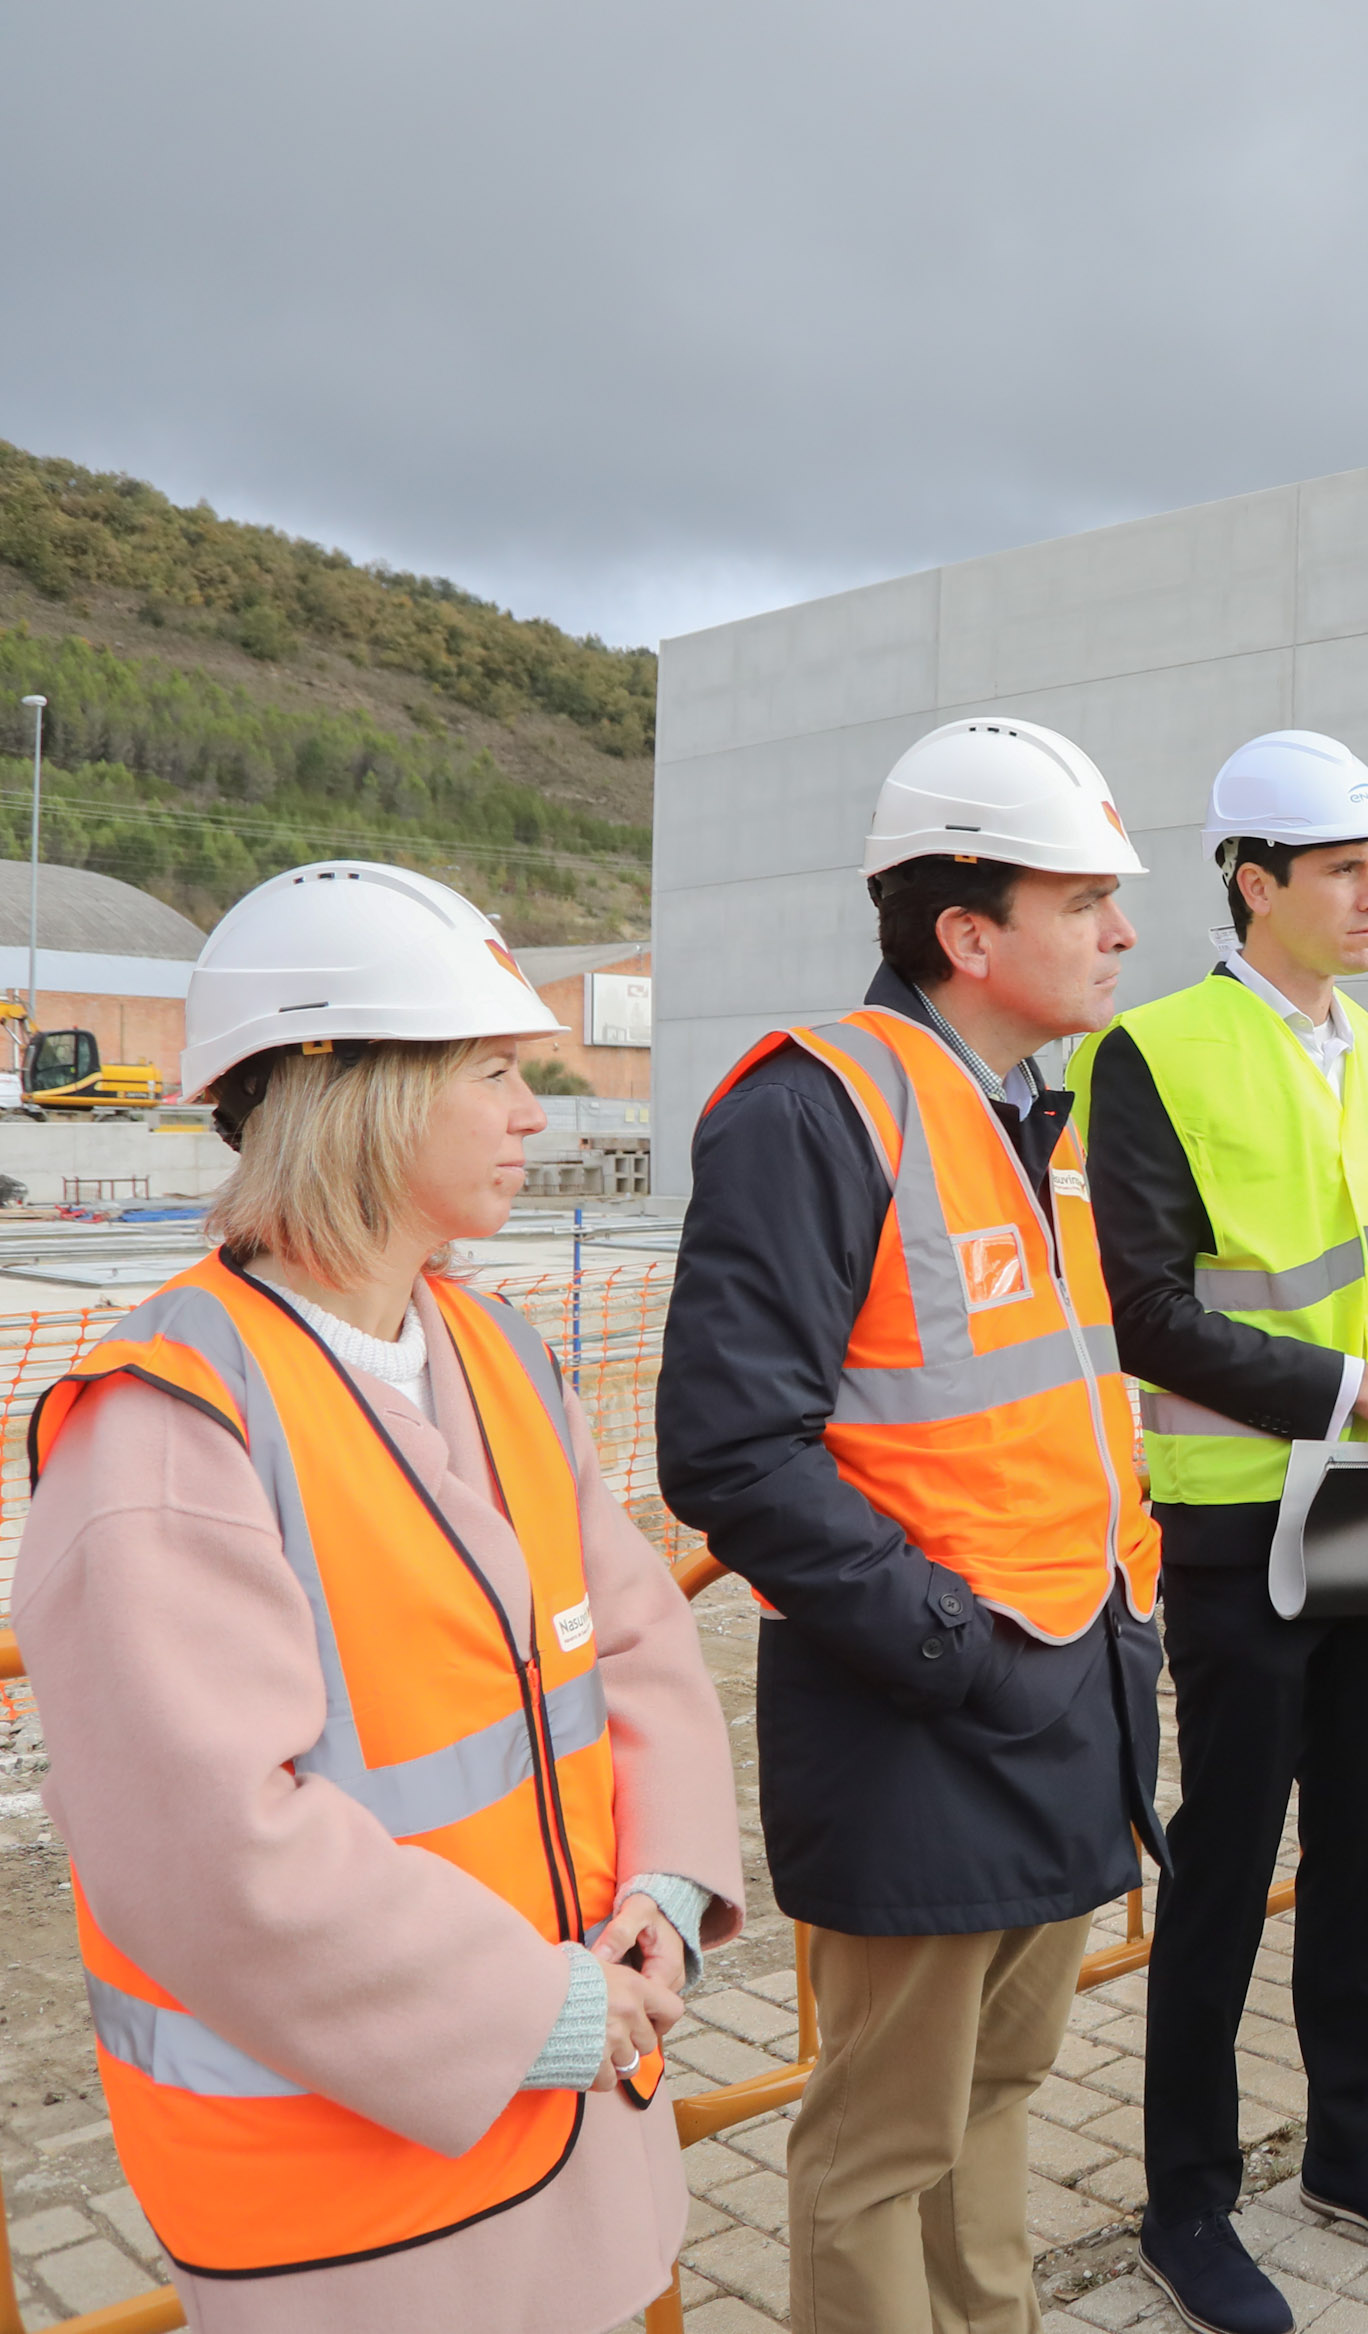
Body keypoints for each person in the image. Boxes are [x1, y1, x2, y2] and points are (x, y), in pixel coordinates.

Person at [16, 862, 743, 2333]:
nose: (536, 1109)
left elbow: (638, 1639)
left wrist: (663, 1889)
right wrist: (540, 2009)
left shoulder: (489, 1347)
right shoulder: (166, 1421)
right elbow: (215, 1848)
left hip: (576, 2129)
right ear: (349, 1086)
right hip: (355, 2215)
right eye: (492, 1068)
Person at [660, 717, 1159, 2334]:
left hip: (1056, 1697)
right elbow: (732, 1449)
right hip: (924, 1714)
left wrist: (1105, 1649)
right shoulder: (816, 1107)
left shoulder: (1034, 1122)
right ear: (967, 930)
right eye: (1084, 897)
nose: (1121, 931)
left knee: (1001, 2091)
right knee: (881, 2142)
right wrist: (951, 1644)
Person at [1072, 729, 1368, 2334]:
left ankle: (1352, 2142)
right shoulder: (1154, 1052)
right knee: (1228, 1872)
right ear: (1256, 883)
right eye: (1346, 868)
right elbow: (1150, 1313)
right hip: (1243, 1529)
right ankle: (1188, 2201)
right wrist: (1364, 1391)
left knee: (1366, 1854)